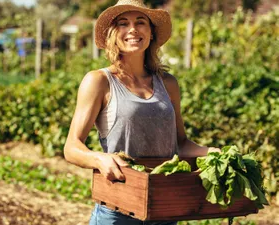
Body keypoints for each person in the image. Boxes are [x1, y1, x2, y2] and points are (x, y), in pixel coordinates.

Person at [64, 0, 220, 224]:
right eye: (123, 23)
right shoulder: (99, 81)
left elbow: (180, 143)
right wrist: (99, 159)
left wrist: (213, 152)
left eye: (140, 22)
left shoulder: (168, 84)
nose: (133, 29)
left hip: (164, 205)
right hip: (118, 207)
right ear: (112, 33)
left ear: (151, 32)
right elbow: (71, 148)